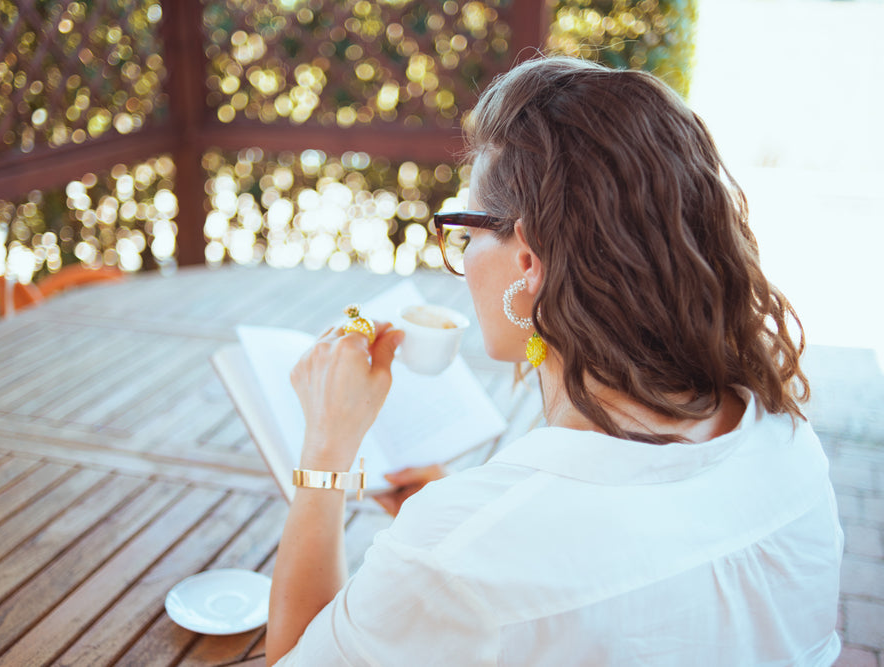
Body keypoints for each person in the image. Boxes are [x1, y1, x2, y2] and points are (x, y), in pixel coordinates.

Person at [266, 56, 843, 666]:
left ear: (528, 262)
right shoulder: (789, 445)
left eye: (465, 232)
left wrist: (327, 451)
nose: (461, 258)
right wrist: (472, 523)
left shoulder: (459, 558)